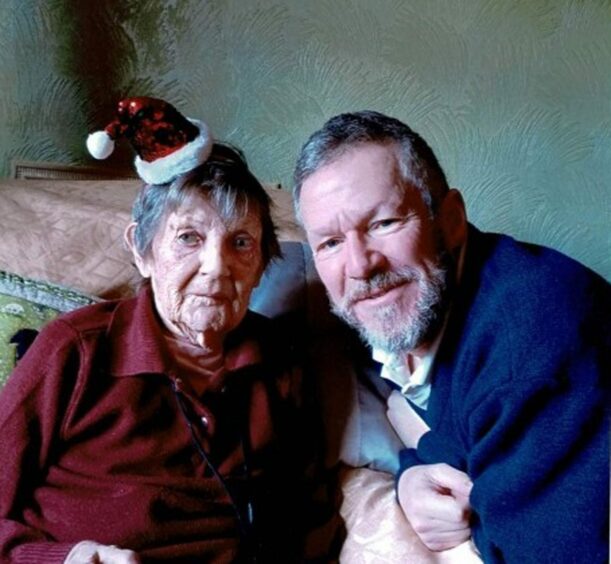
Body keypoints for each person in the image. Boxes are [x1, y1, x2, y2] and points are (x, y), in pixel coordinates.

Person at [0, 98, 325, 563]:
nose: (217, 268)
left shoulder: (281, 365)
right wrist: (63, 559)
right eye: (189, 237)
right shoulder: (74, 351)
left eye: (240, 243)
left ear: (261, 266)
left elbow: (305, 523)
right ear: (143, 250)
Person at [293, 110, 609, 563]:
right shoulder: (396, 312)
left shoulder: (527, 345)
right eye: (330, 243)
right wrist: (410, 477)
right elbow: (456, 424)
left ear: (452, 220)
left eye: (384, 223)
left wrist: (432, 462)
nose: (361, 266)